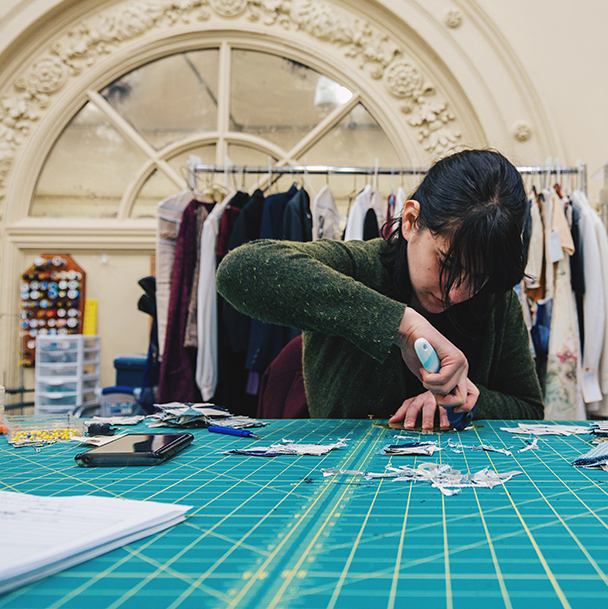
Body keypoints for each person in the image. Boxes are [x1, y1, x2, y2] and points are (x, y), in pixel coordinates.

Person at [216, 148, 543, 428]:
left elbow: (529, 409)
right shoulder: (358, 266)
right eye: (447, 264)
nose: (456, 292)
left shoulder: (495, 300)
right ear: (412, 220)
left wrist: (469, 400)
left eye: (477, 277)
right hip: (344, 477)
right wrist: (403, 326)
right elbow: (239, 270)